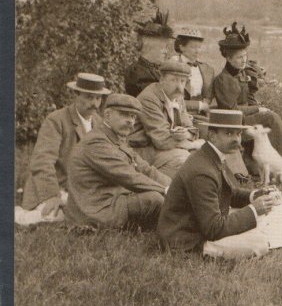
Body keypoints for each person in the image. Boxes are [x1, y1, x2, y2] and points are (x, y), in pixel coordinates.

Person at [157, 109, 282, 252]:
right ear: (212, 136)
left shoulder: (210, 156)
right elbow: (213, 228)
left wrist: (254, 195)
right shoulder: (202, 170)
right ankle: (210, 250)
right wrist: (254, 209)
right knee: (259, 243)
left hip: (197, 226)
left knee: (259, 224)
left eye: (238, 133)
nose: (236, 139)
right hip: (184, 239)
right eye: (229, 133)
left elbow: (227, 191)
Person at [212, 22, 282, 177]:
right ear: (229, 58)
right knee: (268, 117)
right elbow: (232, 110)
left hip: (246, 118)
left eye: (245, 56)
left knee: (268, 117)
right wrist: (258, 110)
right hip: (234, 123)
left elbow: (250, 99)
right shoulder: (223, 80)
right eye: (239, 58)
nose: (243, 60)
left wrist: (257, 106)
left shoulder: (242, 73)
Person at [64, 94, 171, 230]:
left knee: (163, 198)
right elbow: (129, 177)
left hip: (110, 201)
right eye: (124, 115)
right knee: (155, 199)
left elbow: (145, 168)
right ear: (107, 115)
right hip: (95, 211)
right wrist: (166, 191)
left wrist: (173, 186)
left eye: (133, 116)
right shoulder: (96, 142)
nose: (130, 121)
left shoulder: (116, 137)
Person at [20, 73, 110, 217]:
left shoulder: (100, 124)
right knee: (57, 217)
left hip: (81, 190)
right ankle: (19, 216)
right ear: (76, 95)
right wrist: (52, 195)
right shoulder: (57, 120)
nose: (94, 103)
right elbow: (42, 162)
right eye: (88, 97)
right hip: (55, 187)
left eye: (98, 98)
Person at [128, 60, 205, 178]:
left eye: (182, 81)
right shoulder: (149, 98)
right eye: (174, 80)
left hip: (165, 147)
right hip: (142, 150)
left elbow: (191, 128)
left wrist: (187, 134)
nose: (179, 87)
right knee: (184, 158)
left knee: (203, 156)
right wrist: (192, 144)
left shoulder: (177, 96)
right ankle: (168, 191)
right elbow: (162, 140)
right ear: (162, 79)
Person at [124, 9, 173, 97]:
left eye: (166, 47)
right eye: (162, 47)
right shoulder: (136, 71)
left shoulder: (157, 69)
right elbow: (154, 98)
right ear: (149, 46)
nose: (166, 52)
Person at [170, 27, 214, 118]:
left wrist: (204, 106)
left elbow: (208, 96)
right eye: (193, 47)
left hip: (201, 115)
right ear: (181, 47)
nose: (197, 51)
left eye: (199, 47)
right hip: (178, 114)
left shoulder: (207, 69)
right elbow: (172, 99)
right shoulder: (173, 66)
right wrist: (200, 105)